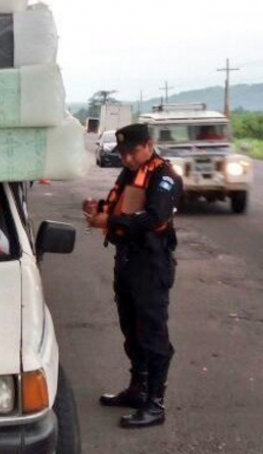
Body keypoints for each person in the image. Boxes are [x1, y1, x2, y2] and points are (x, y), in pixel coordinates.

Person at [83, 123, 182, 429]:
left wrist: (107, 221)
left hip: (150, 265)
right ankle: (138, 389)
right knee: (131, 330)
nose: (126, 158)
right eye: (123, 153)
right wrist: (97, 208)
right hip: (127, 261)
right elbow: (124, 207)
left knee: (152, 334)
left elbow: (153, 218)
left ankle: (155, 402)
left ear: (149, 145)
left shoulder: (165, 177)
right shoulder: (131, 172)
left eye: (132, 152)